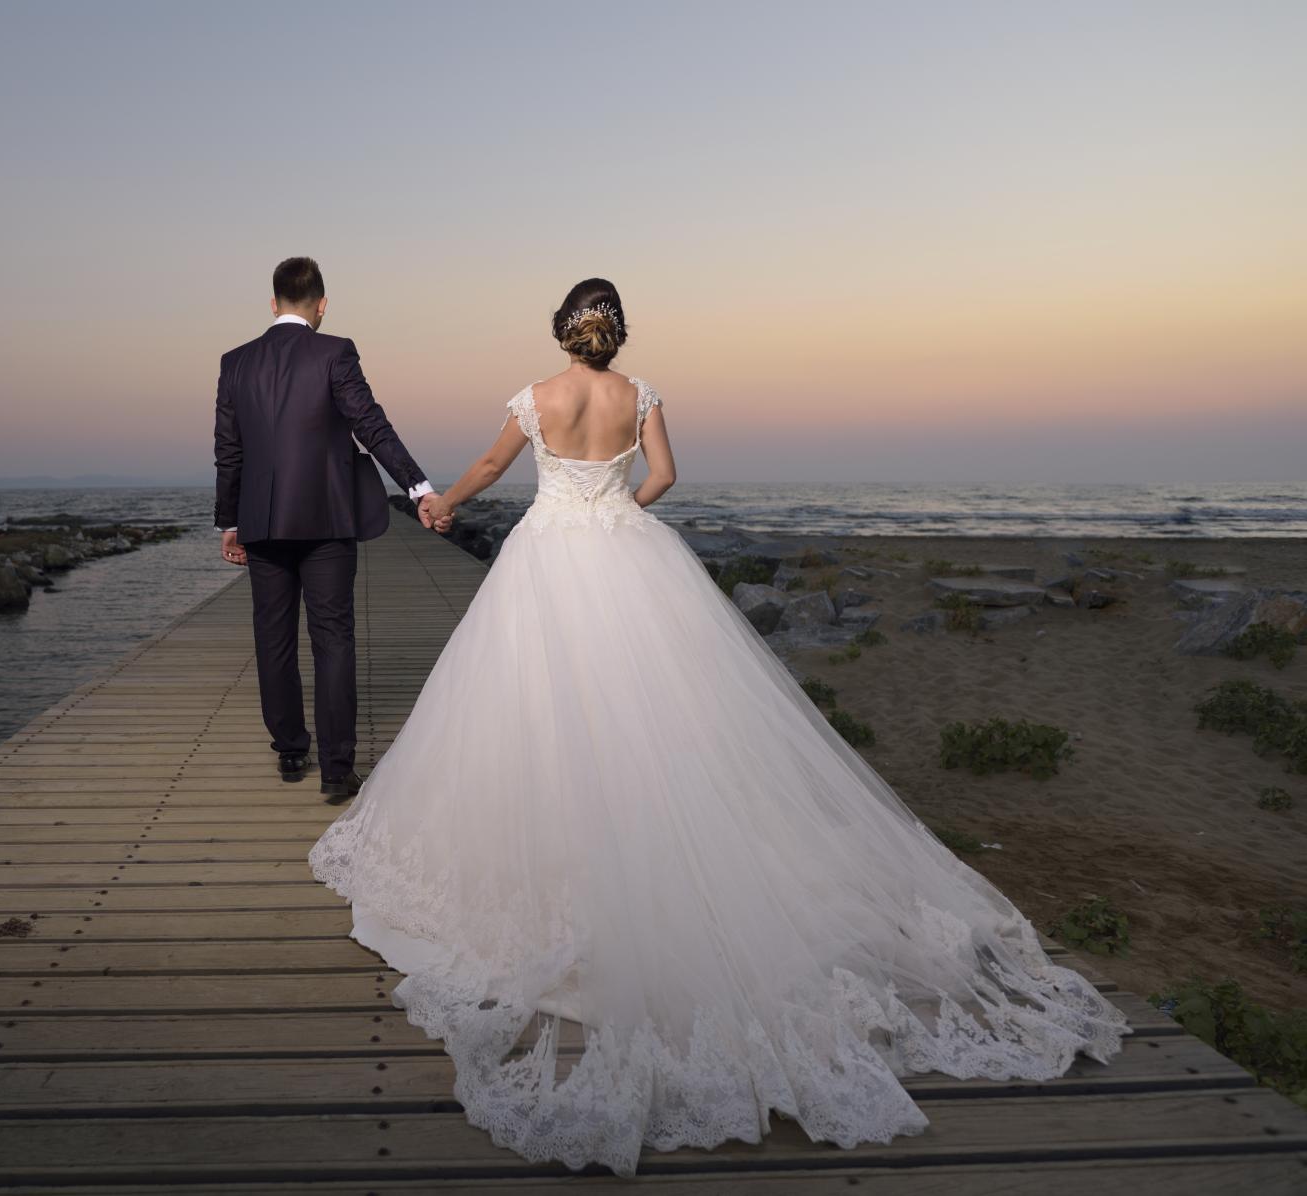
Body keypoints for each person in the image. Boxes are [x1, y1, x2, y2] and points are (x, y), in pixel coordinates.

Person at [309, 277, 1131, 1176]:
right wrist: (617, 513)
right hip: (626, 554)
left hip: (547, 554)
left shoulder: (534, 398)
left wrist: (442, 505)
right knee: (654, 704)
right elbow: (662, 477)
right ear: (615, 334)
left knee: (539, 699)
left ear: (561, 332)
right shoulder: (640, 396)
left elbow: (488, 466)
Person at [214, 257, 451, 799]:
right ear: (321, 305)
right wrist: (419, 489)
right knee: (333, 639)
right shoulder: (335, 352)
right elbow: (371, 425)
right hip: (327, 519)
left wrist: (229, 521)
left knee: (272, 637)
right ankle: (337, 770)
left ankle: (290, 749)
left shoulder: (235, 363)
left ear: (272, 303)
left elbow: (229, 449)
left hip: (261, 521)